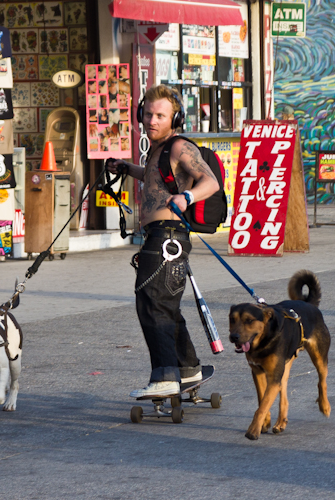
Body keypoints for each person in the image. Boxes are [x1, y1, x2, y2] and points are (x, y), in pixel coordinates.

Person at [107, 84, 219, 398]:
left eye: (160, 115)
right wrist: (128, 169)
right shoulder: (158, 150)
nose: (152, 120)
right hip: (158, 237)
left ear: (175, 118)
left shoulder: (180, 146)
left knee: (153, 305)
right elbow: (155, 180)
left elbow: (210, 181)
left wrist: (187, 197)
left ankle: (165, 376)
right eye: (147, 114)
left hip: (168, 238)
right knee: (164, 305)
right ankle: (188, 369)